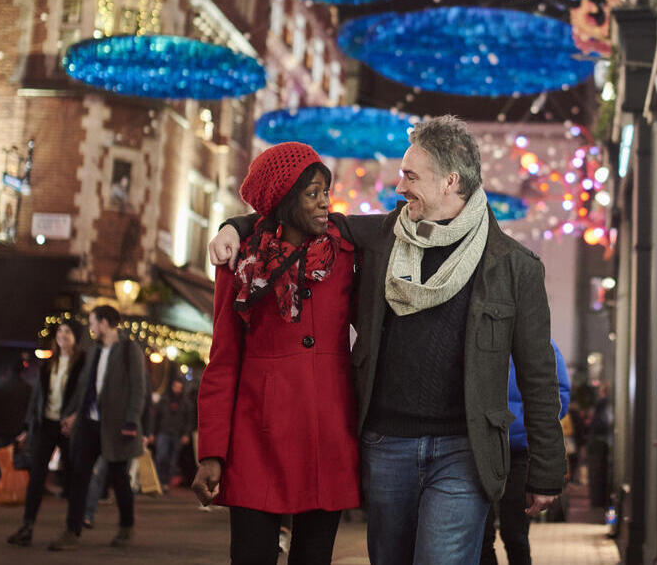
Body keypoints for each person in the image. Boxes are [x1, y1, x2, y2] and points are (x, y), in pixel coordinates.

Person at [210, 117, 567, 564]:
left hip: (464, 449)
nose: (399, 187)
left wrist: (548, 470)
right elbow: (294, 213)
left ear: (450, 181)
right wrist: (234, 226)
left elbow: (538, 375)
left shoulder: (515, 266)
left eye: (411, 176)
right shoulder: (380, 237)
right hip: (386, 445)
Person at [191, 142, 359, 565]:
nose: (326, 203)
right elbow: (223, 359)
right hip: (256, 435)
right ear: (285, 199)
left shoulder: (345, 254)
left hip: (327, 432)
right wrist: (212, 452)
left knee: (314, 558)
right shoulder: (240, 262)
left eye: (326, 191)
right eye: (313, 193)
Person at [48, 305, 145, 551]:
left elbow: (137, 388)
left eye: (93, 322)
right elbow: (84, 387)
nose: (91, 328)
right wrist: (72, 414)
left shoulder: (128, 349)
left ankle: (126, 527)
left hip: (116, 426)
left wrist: (131, 421)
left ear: (104, 323)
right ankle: (72, 530)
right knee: (79, 475)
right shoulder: (93, 352)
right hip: (89, 424)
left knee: (119, 478)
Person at [480, 343, 571, 565]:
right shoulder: (481, 336)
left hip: (518, 451)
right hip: (481, 450)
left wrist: (518, 425)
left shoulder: (542, 344)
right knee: (481, 536)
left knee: (515, 533)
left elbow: (559, 396)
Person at [7, 322, 84, 547]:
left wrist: (76, 416)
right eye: (59, 331)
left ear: (75, 337)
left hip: (69, 426)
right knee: (36, 477)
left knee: (72, 477)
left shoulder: (82, 363)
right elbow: (37, 397)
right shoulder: (48, 362)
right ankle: (27, 526)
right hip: (45, 424)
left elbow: (86, 395)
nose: (62, 335)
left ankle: (72, 528)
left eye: (67, 332)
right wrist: (26, 426)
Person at [148, 377, 192, 489]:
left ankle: (165, 483)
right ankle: (158, 481)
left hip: (177, 434)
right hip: (163, 432)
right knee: (161, 457)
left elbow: (189, 419)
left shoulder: (185, 403)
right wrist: (152, 433)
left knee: (172, 460)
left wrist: (186, 434)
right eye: (176, 387)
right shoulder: (164, 400)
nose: (177, 389)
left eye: (179, 387)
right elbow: (156, 417)